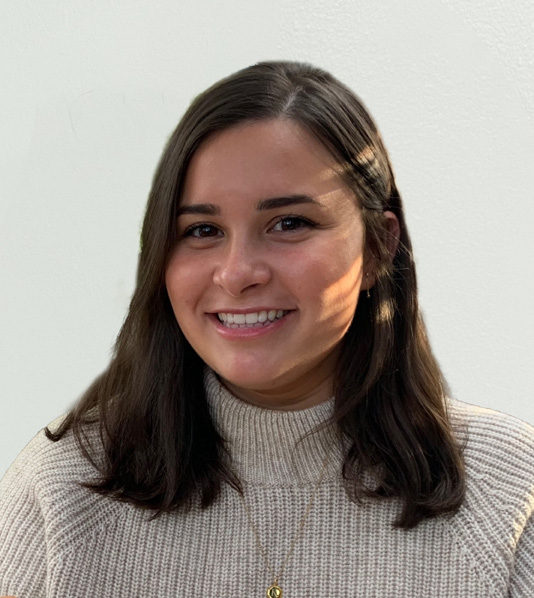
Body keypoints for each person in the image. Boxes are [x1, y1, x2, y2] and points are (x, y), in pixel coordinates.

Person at [1, 61, 533, 598]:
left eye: (290, 223)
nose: (236, 274)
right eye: (202, 230)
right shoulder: (61, 491)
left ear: (379, 247)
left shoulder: (507, 495)